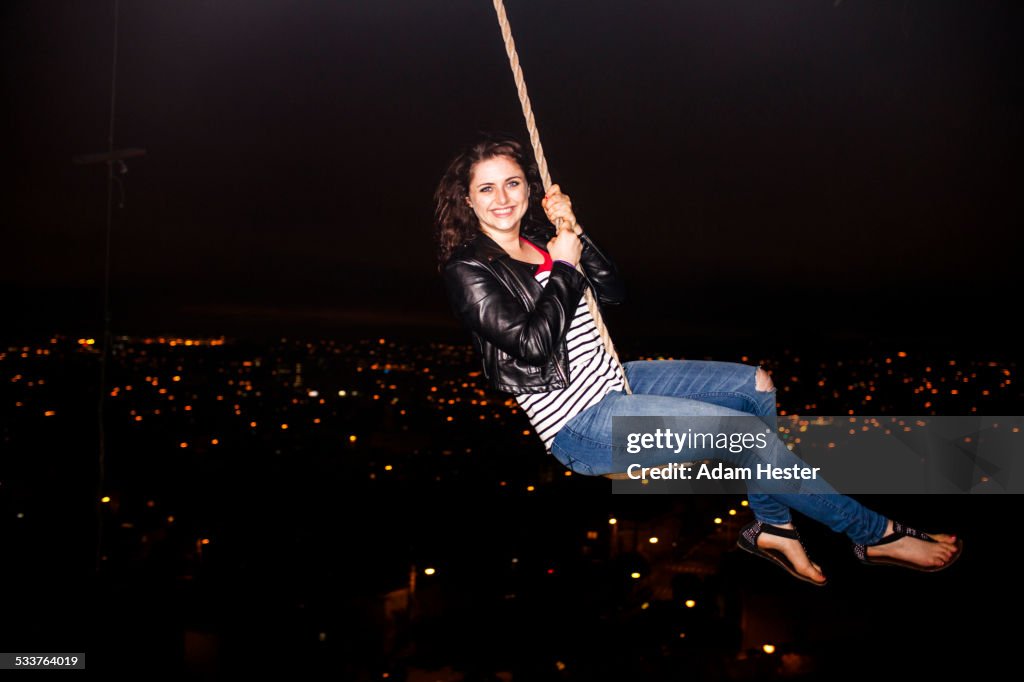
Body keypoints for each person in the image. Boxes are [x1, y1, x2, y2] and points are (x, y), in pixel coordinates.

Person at [434, 134, 961, 585]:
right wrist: (567, 269)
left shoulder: (545, 243)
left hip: (619, 383)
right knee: (747, 439)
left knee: (756, 386)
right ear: (468, 199)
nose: (502, 197)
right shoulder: (468, 268)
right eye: (486, 188)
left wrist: (575, 233)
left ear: (530, 188)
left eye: (512, 183)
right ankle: (875, 535)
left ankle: (773, 527)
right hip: (582, 425)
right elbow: (530, 346)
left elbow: (614, 292)